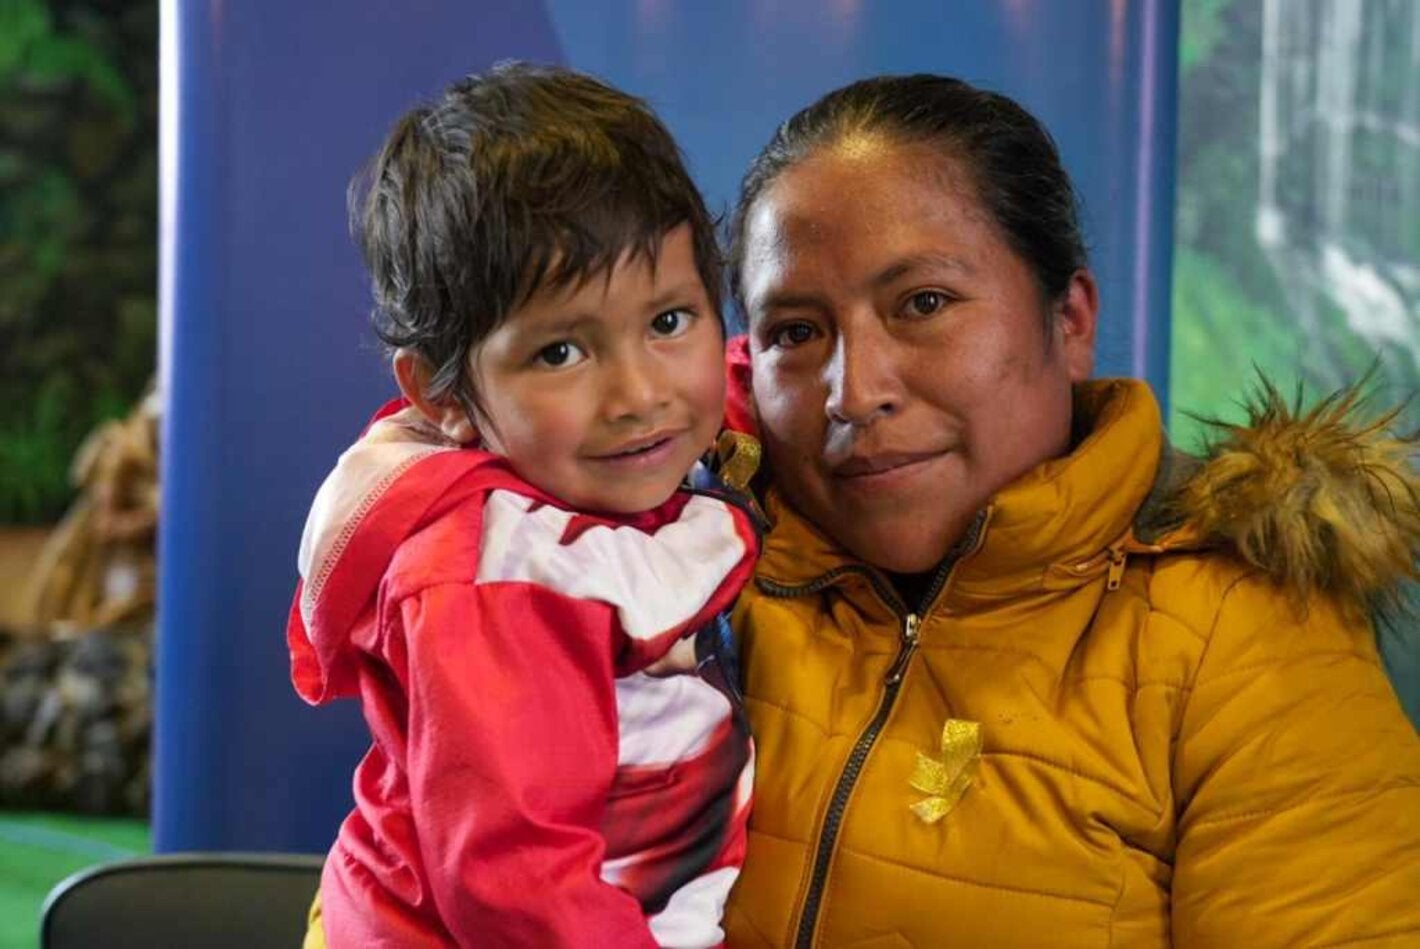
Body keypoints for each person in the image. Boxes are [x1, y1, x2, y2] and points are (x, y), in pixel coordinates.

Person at [719, 74, 1420, 947]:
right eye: (795, 331)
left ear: (1071, 319)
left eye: (924, 304)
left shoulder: (1244, 638)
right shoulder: (696, 576)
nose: (853, 392)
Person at [288, 62, 759, 947]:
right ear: (444, 394)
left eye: (668, 322)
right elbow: (516, 882)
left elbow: (719, 387)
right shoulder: (494, 579)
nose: (638, 394)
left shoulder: (611, 461)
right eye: (559, 354)